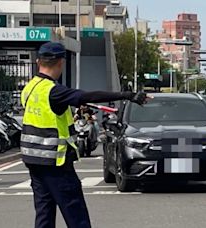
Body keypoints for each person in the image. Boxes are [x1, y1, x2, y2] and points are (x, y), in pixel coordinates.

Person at [20, 42, 150, 228]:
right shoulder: (53, 91)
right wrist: (127, 95)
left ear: (38, 61)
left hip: (34, 161)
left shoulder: (30, 88)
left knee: (44, 212)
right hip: (55, 163)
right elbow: (87, 96)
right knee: (75, 213)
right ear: (60, 63)